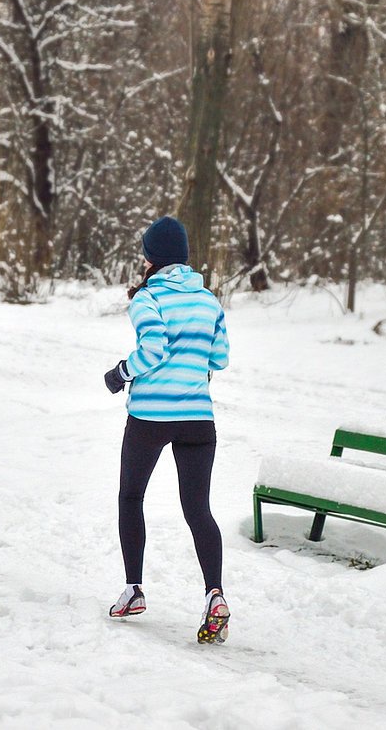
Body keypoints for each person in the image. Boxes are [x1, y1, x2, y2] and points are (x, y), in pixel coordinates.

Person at [103, 216, 231, 644]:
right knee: (199, 510)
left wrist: (121, 373)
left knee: (131, 496)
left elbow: (153, 349)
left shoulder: (146, 299)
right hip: (198, 418)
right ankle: (215, 595)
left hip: (150, 418)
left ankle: (134, 590)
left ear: (151, 257)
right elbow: (219, 360)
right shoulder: (210, 302)